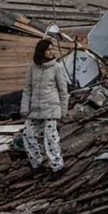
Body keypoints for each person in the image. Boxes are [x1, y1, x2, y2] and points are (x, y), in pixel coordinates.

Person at [20, 39, 69, 176]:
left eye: (52, 49)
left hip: (51, 109)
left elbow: (63, 91)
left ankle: (57, 167)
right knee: (27, 134)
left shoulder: (57, 67)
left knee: (50, 138)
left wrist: (63, 111)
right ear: (41, 51)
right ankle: (37, 163)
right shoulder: (32, 67)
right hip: (35, 110)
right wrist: (24, 109)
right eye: (48, 49)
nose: (51, 51)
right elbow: (27, 90)